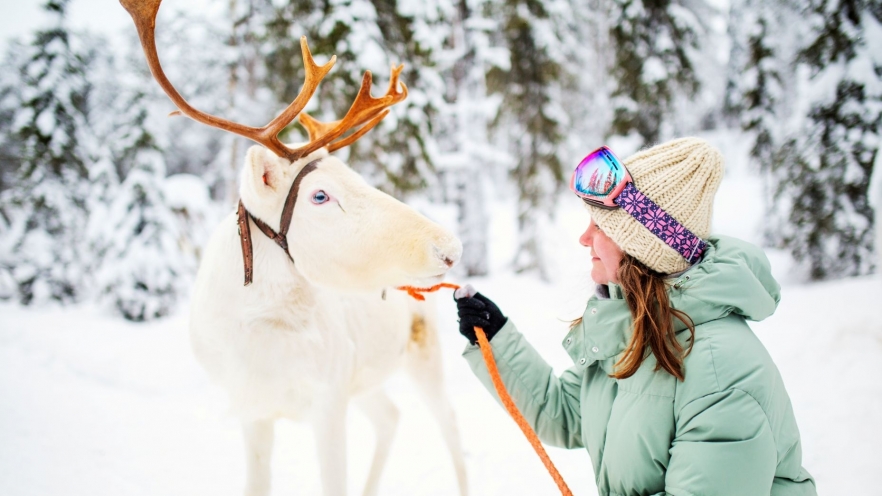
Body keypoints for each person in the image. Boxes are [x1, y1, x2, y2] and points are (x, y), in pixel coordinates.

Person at [454, 138, 817, 495]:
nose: (584, 238)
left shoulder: (721, 371)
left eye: (601, 227)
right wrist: (495, 337)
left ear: (645, 247)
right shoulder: (633, 329)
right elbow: (564, 412)